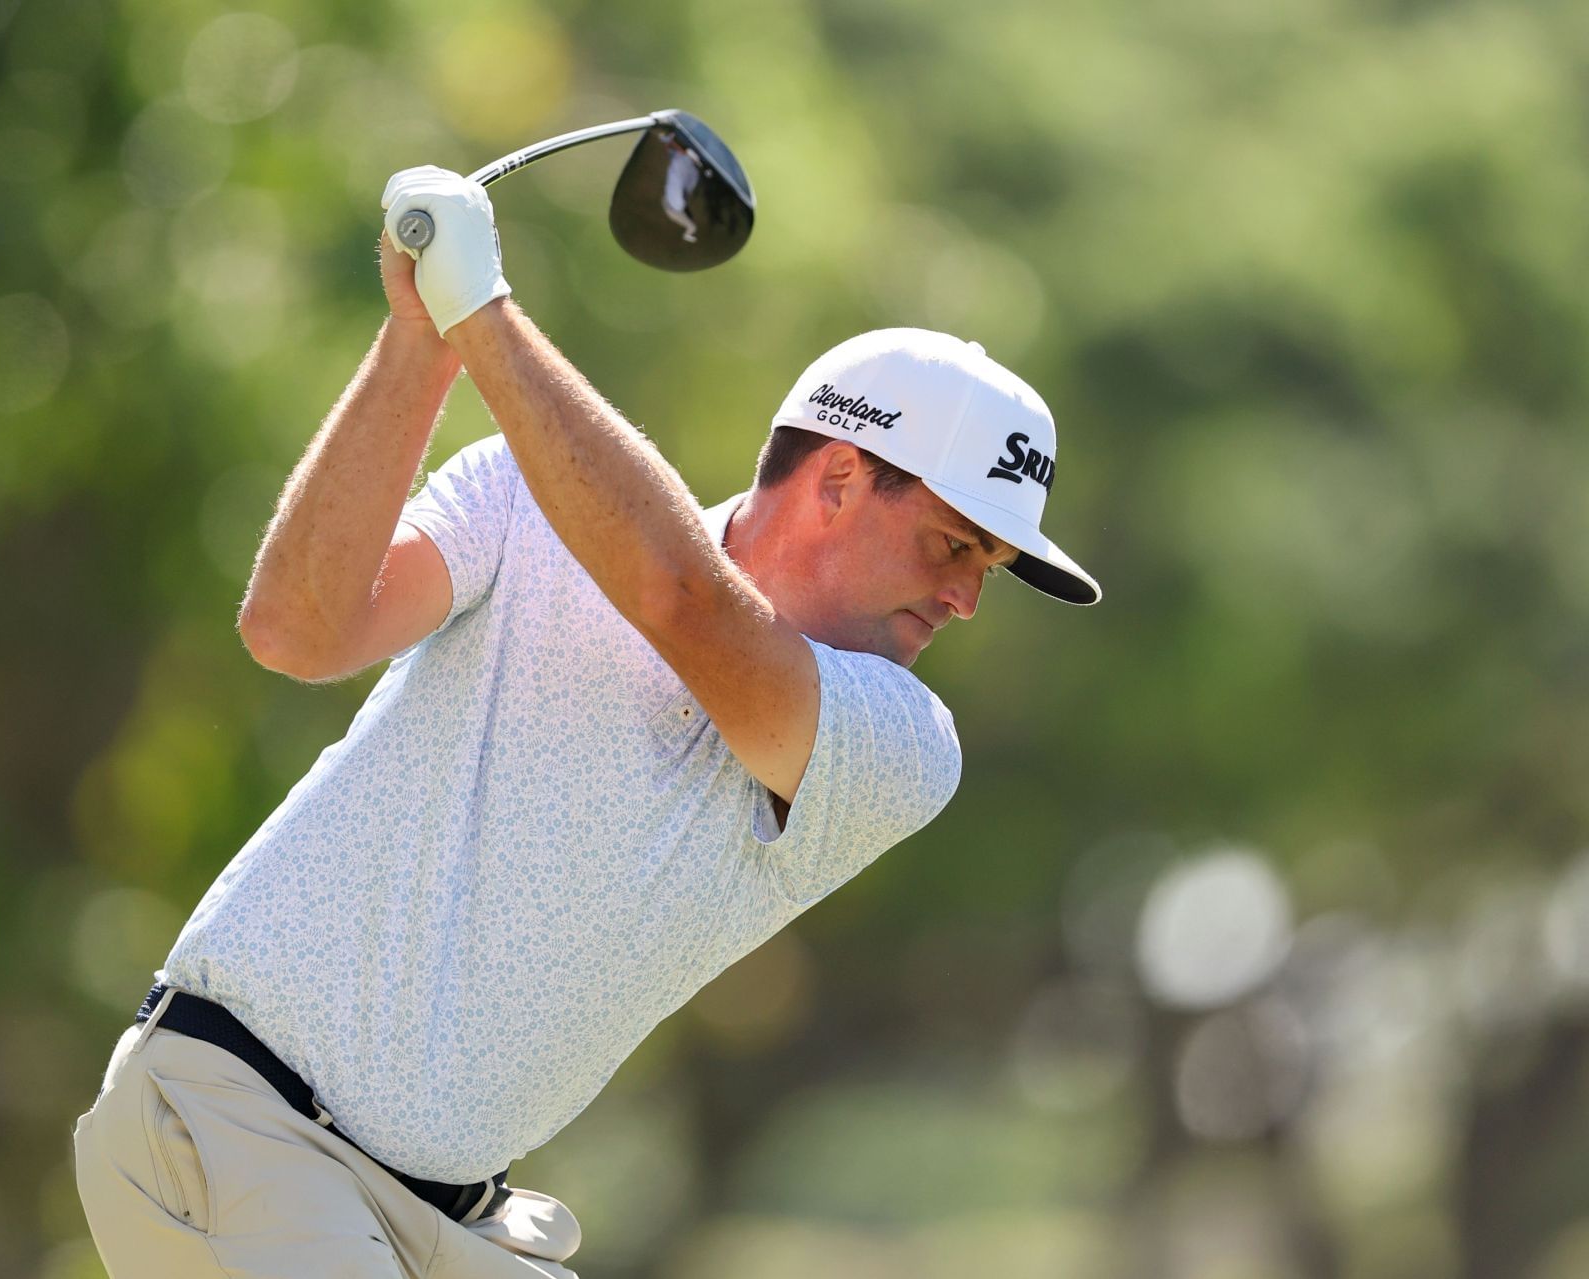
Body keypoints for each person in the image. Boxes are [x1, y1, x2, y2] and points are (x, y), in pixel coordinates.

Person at [72, 166, 1099, 1279]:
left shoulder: (902, 746)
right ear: (840, 478)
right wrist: (422, 339)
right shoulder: (518, 498)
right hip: (239, 1122)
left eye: (990, 566)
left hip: (446, 1221)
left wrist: (484, 314)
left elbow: (685, 605)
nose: (966, 599)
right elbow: (296, 629)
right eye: (955, 545)